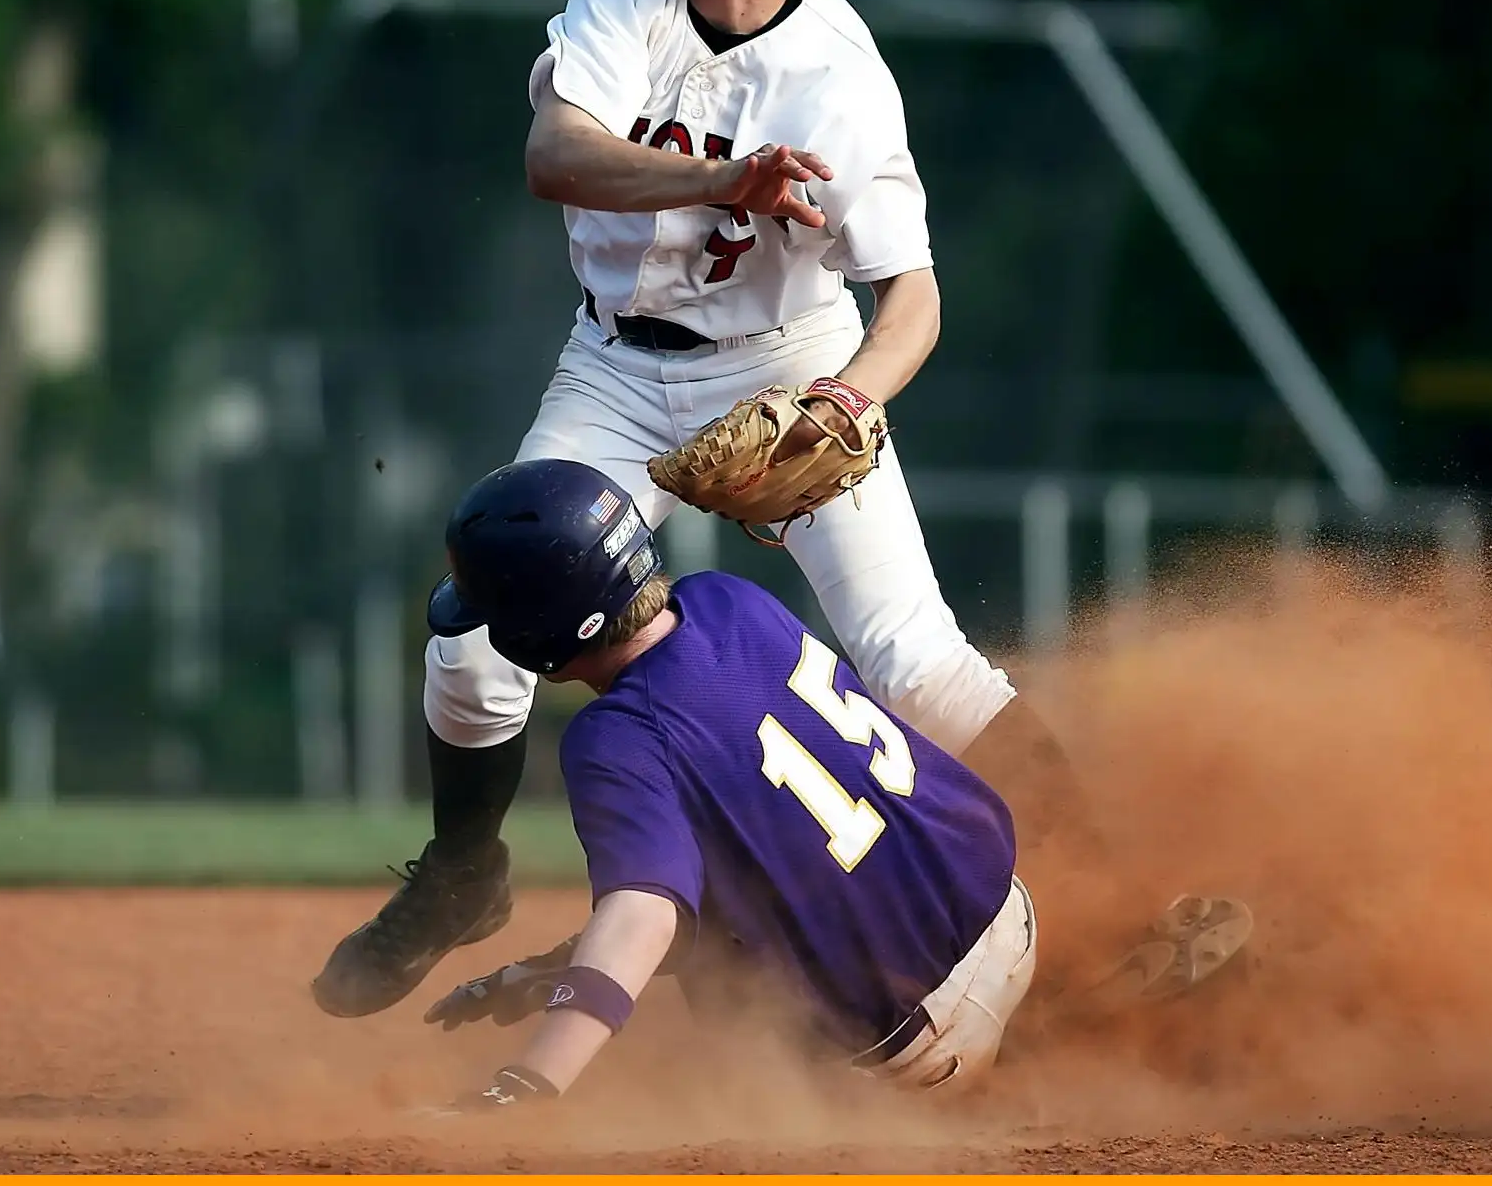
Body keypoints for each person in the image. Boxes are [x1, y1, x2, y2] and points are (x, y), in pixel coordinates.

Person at [311, 0, 1219, 1020]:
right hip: (613, 370)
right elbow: (551, 158)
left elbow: (914, 303)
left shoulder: (837, 76)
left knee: (913, 657)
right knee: (473, 643)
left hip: (785, 360)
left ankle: (1133, 904)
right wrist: (735, 178)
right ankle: (463, 869)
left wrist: (843, 403)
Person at [414, 458, 1039, 1105]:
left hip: (918, 1045)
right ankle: (1045, 1036)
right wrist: (550, 971)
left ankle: (954, 1088)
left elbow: (644, 915)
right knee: (728, 869)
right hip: (1011, 916)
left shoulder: (615, 735)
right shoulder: (727, 598)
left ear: (533, 632)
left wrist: (527, 1084)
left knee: (729, 1009)